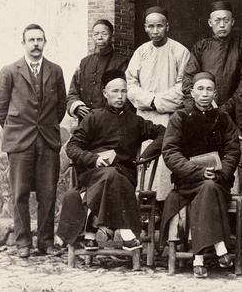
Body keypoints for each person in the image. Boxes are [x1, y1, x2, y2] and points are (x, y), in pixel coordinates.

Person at [57, 70, 165, 251]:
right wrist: (93, 158)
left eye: (123, 91)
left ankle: (92, 223)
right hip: (94, 174)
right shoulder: (93, 117)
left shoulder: (135, 121)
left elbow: (164, 132)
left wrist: (147, 153)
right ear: (105, 93)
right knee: (110, 173)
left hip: (126, 175)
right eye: (114, 91)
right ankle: (126, 233)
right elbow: (72, 147)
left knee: (114, 173)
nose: (120, 96)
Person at [0, 24, 67, 258]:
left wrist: (49, 125)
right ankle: (23, 242)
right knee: (20, 193)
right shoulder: (9, 71)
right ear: (23, 43)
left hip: (47, 140)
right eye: (31, 40)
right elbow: (0, 106)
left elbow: (61, 104)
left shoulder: (55, 70)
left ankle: (46, 242)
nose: (36, 44)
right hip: (19, 140)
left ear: (45, 42)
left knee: (48, 193)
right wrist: (17, 127)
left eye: (40, 40)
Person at [160, 72, 240, 278]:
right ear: (192, 92)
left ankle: (199, 258)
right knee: (207, 187)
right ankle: (220, 247)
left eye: (209, 89)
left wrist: (220, 174)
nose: (205, 94)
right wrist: (197, 171)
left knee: (210, 187)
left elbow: (233, 151)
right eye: (200, 89)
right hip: (188, 182)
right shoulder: (179, 118)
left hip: (217, 181)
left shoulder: (223, 119)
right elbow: (170, 152)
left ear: (215, 93)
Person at [126, 6, 191, 201]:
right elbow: (130, 84)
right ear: (145, 27)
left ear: (167, 26)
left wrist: (157, 102)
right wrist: (148, 100)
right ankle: (144, 206)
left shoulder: (180, 51)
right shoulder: (141, 52)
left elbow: (183, 88)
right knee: (144, 159)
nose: (155, 31)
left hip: (169, 117)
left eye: (160, 26)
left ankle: (163, 205)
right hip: (144, 118)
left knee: (165, 163)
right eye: (151, 26)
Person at [182, 1, 242, 118]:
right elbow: (189, 78)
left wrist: (224, 109)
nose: (222, 25)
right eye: (217, 20)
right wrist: (197, 106)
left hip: (233, 112)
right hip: (202, 110)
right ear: (210, 22)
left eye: (226, 20)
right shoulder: (200, 47)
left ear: (232, 22)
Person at [67, 19, 129, 120]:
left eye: (104, 34)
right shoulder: (84, 62)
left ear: (111, 37)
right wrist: (77, 106)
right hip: (86, 120)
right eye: (96, 34)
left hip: (110, 121)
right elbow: (73, 91)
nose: (99, 38)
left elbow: (125, 94)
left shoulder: (120, 62)